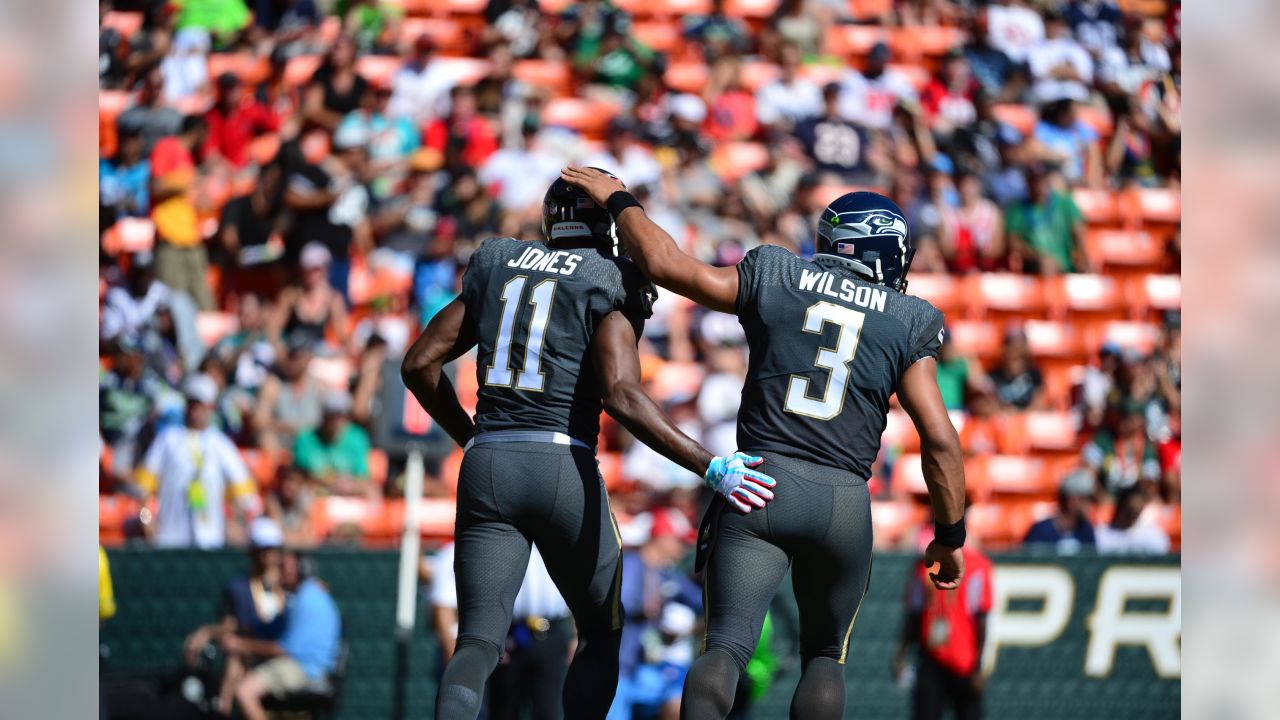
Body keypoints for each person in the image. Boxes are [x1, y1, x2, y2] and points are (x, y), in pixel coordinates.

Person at [559, 167, 968, 720]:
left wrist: (619, 199)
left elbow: (664, 265)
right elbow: (940, 441)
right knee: (825, 658)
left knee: (725, 647)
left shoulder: (777, 274)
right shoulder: (908, 319)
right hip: (842, 500)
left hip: (760, 485)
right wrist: (949, 535)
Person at [400, 172, 777, 720]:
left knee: (477, 642)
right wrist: (709, 464)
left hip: (489, 462)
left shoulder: (498, 261)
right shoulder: (609, 277)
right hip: (560, 460)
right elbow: (622, 395)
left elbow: (418, 363)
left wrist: (472, 436)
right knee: (600, 634)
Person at [431, 542, 574, 720]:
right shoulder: (496, 541)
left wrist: (577, 634)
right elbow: (443, 606)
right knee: (504, 709)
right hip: (509, 633)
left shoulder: (556, 539)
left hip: (552, 631)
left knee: (549, 710)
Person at [133, 373, 262, 548]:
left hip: (210, 539)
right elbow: (143, 490)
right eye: (191, 404)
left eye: (200, 405)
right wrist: (146, 520)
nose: (195, 410)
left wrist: (235, 524)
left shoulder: (221, 444)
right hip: (170, 538)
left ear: (211, 407)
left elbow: (245, 494)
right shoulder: (167, 439)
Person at [184, 518, 288, 713]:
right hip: (253, 653)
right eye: (262, 550)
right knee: (235, 659)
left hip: (280, 653)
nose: (268, 557)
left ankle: (225, 703)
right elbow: (230, 624)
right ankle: (224, 706)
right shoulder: (238, 588)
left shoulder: (289, 584)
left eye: (272, 550)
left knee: (236, 656)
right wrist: (205, 632)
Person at [228, 551, 343, 720]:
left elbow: (283, 649)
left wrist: (240, 644)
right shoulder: (306, 595)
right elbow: (272, 631)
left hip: (306, 669)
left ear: (301, 570)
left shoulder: (306, 599)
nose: (279, 572)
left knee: (245, 692)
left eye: (284, 567)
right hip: (308, 667)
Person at [894, 540, 994, 720]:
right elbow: (914, 614)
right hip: (932, 656)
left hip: (965, 660)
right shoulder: (924, 566)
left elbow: (983, 619)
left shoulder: (978, 566)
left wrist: (979, 668)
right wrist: (901, 654)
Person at [149, 115, 215, 309]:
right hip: (170, 242)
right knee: (176, 305)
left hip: (192, 241)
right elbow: (156, 186)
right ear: (197, 132)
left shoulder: (190, 159)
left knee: (205, 303)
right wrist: (185, 182)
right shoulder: (166, 147)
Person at [292, 392, 374, 497]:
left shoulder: (357, 438)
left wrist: (350, 486)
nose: (337, 421)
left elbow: (363, 478)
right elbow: (297, 477)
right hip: (315, 496)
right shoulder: (305, 439)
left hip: (347, 496)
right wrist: (328, 482)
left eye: (341, 415)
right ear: (324, 416)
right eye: (332, 415)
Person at [1023, 468, 1097, 553]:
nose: (1090, 506)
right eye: (1087, 499)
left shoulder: (1086, 531)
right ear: (1073, 501)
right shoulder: (1040, 531)